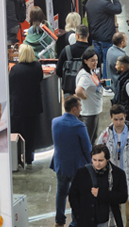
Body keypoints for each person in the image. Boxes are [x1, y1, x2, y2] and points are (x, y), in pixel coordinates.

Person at [51, 96, 92, 227]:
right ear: (74, 109)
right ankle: (75, 222)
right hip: (76, 167)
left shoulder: (55, 122)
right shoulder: (79, 126)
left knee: (61, 192)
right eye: (80, 107)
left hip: (60, 165)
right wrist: (91, 164)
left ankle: (59, 221)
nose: (81, 109)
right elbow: (87, 148)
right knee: (77, 195)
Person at [69, 144, 128, 227]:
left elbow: (123, 197)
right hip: (86, 222)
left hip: (108, 221)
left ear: (107, 159)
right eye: (94, 160)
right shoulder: (82, 173)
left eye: (100, 160)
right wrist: (79, 216)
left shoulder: (118, 174)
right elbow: (73, 195)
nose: (97, 163)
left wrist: (101, 193)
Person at [9, 44, 43, 165]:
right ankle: (29, 158)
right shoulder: (37, 67)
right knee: (30, 133)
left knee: (17, 132)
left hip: (18, 106)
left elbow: (10, 85)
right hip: (33, 105)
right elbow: (40, 79)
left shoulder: (15, 69)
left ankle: (17, 158)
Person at [86, 0, 123, 79]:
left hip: (95, 36)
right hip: (106, 37)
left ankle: (96, 79)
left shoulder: (89, 2)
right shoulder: (105, 4)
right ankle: (106, 81)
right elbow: (118, 9)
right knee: (107, 60)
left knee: (96, 60)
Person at [75, 47, 105, 143]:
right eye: (92, 60)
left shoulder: (91, 71)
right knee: (89, 140)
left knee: (93, 137)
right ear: (85, 61)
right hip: (89, 113)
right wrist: (84, 97)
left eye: (96, 60)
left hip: (94, 110)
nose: (95, 62)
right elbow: (78, 90)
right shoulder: (85, 76)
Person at [56, 25, 92, 95]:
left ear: (77, 35)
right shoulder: (92, 52)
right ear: (88, 35)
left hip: (69, 89)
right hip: (86, 90)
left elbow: (58, 71)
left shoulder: (66, 50)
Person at [106, 32, 129, 97]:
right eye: (126, 39)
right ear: (122, 42)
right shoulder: (122, 56)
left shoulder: (110, 50)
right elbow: (128, 72)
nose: (127, 41)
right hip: (120, 86)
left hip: (112, 84)